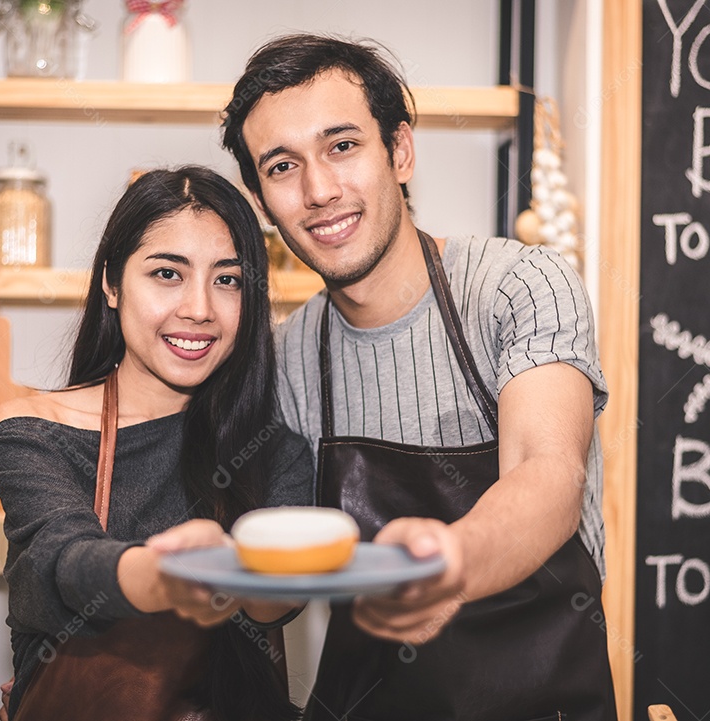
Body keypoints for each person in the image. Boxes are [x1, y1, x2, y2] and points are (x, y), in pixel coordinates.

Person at [221, 34, 617, 720]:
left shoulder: (520, 286)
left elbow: (549, 474)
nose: (319, 191)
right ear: (260, 200)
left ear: (399, 151)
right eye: (283, 167)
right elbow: (276, 592)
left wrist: (444, 565)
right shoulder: (287, 357)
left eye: (342, 146)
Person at [0, 166, 312, 721]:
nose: (200, 308)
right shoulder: (30, 431)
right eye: (167, 274)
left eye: (227, 279)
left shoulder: (273, 451)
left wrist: (242, 571)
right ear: (111, 283)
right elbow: (62, 561)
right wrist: (166, 575)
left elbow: (280, 604)